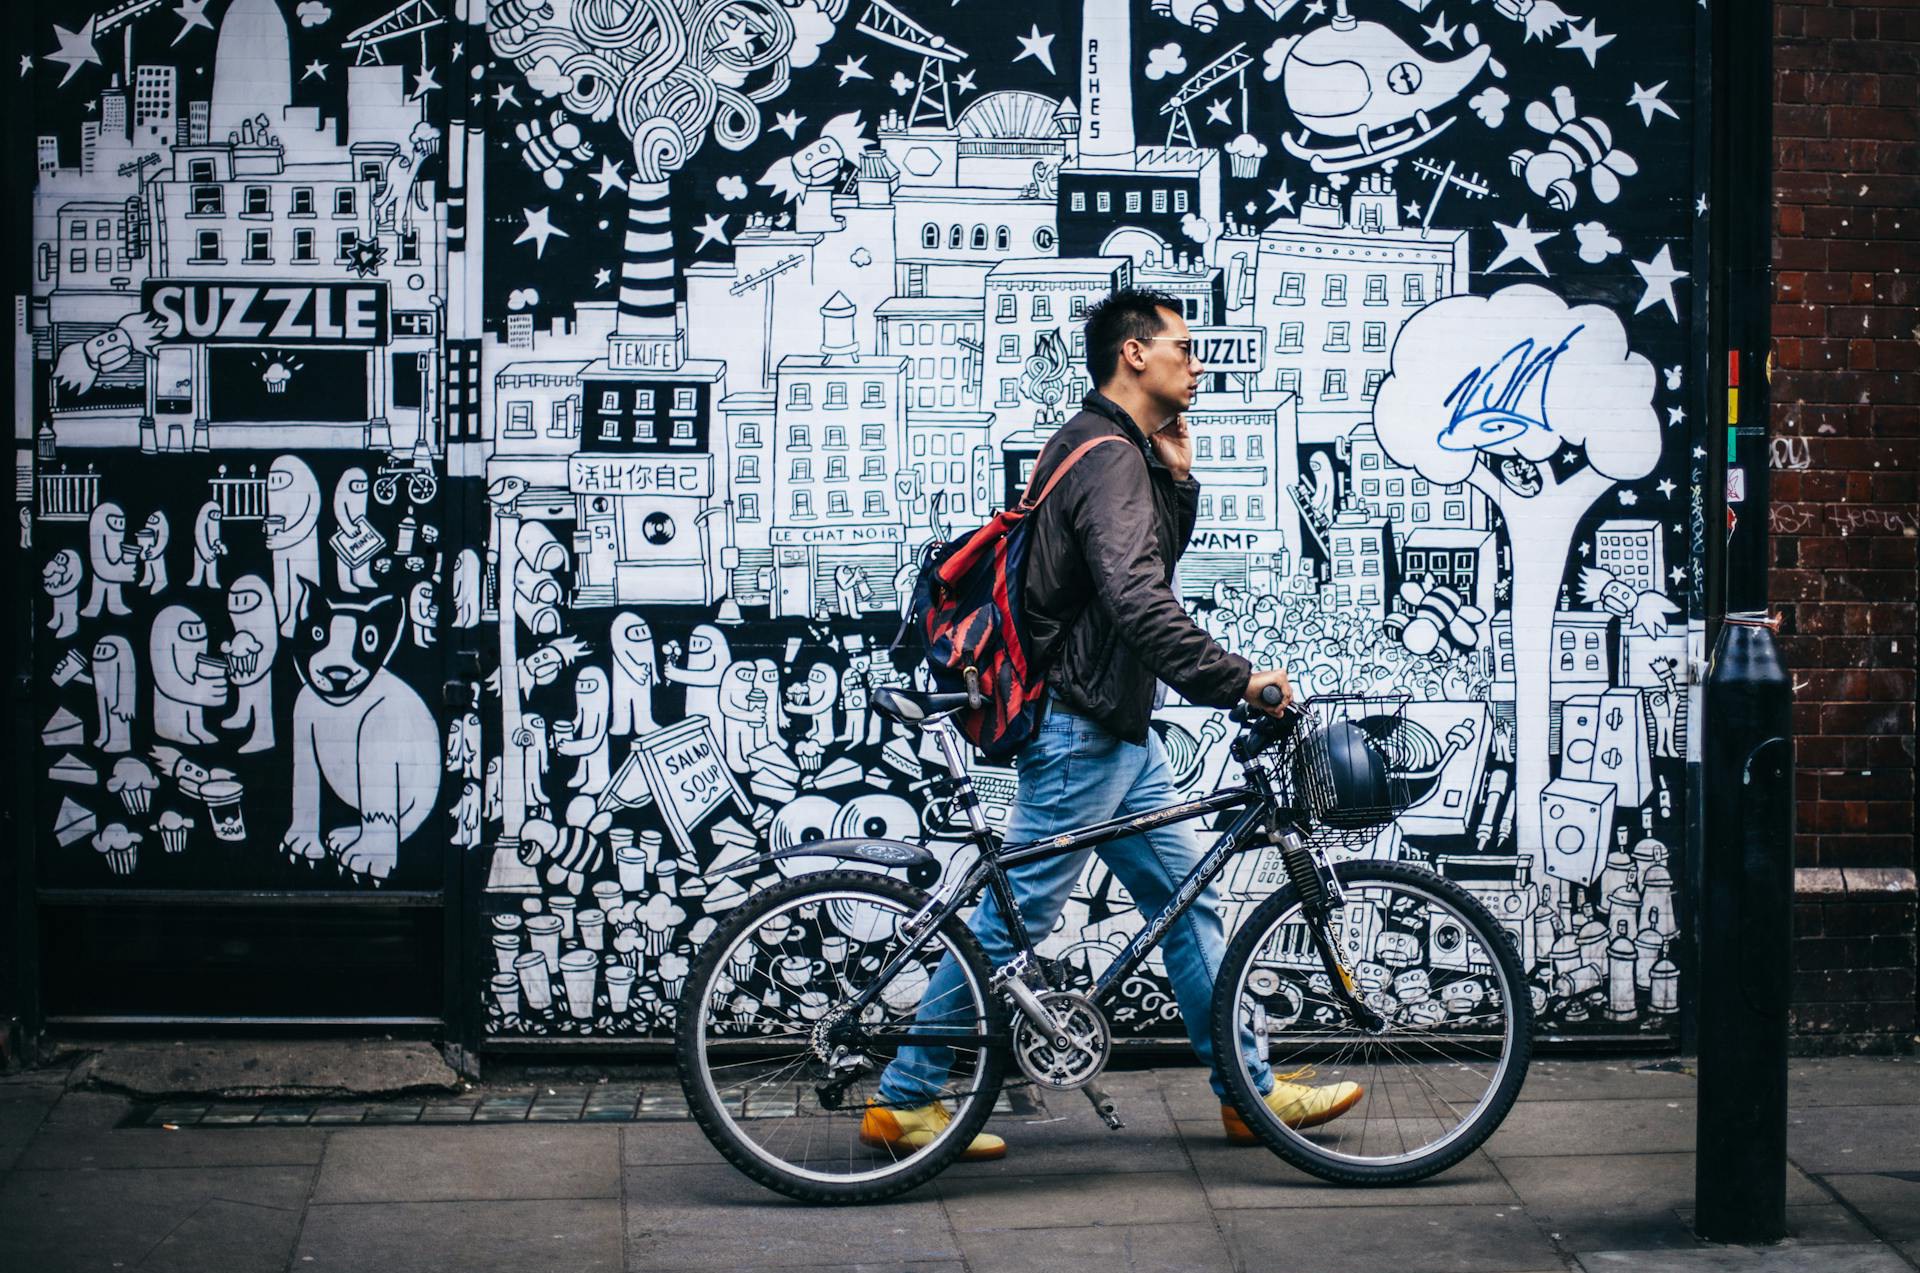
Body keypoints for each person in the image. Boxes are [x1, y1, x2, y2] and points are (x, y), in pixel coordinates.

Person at [862, 288, 1363, 1161]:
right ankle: (905, 1097)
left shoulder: (1105, 447)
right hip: (1082, 725)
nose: (1195, 361)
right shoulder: (1106, 456)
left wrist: (1176, 474)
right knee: (1013, 919)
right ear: (1134, 354)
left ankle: (1246, 1089)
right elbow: (1140, 599)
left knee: (1185, 897)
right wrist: (1240, 681)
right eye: (1182, 344)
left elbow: (1139, 567)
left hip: (1113, 726)